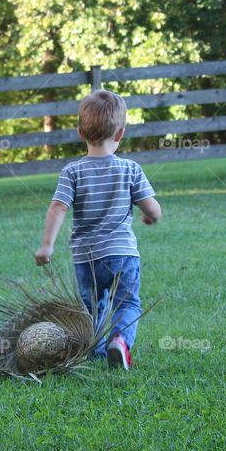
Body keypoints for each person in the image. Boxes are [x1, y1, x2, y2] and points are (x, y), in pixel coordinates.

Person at [33, 89, 161, 369]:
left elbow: (58, 207)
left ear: (80, 133)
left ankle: (97, 349)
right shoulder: (130, 169)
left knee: (93, 307)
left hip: (85, 257)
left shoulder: (73, 172)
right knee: (127, 304)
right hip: (121, 254)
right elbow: (151, 208)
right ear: (120, 134)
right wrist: (152, 217)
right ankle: (121, 341)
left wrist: (47, 245)